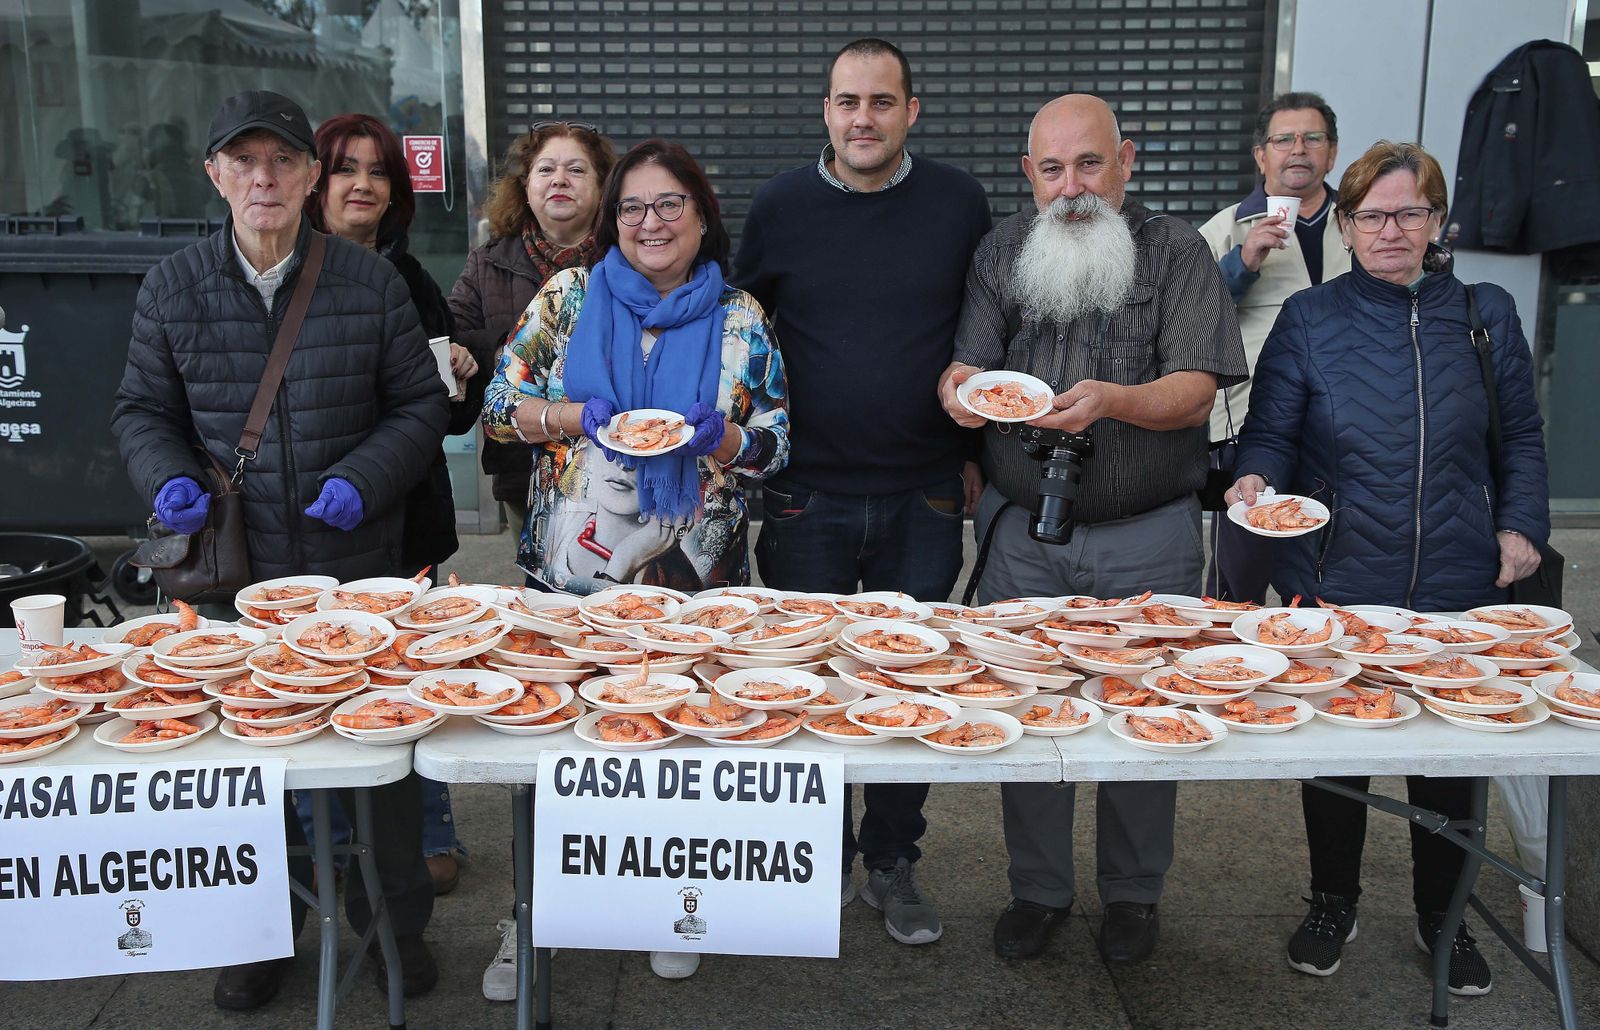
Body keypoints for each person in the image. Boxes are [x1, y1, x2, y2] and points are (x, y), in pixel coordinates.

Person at [111, 90, 447, 1010]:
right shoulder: (172, 286)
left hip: (356, 570)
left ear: (310, 177)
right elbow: (141, 410)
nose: (264, 178)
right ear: (215, 173)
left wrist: (367, 479)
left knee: (379, 760)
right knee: (244, 768)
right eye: (243, 161)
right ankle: (256, 932)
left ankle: (394, 927)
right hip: (233, 577)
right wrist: (165, 476)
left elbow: (420, 408)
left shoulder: (367, 282)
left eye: (283, 162)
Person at [1227, 140, 1550, 996]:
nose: (1391, 231)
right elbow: (1271, 432)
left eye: (1410, 212)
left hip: (1458, 579)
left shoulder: (1486, 313)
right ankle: (1333, 900)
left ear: (1437, 221)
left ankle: (1444, 918)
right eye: (1371, 215)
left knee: (1451, 757)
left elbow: (1519, 436)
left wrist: (1520, 523)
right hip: (1337, 576)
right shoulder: (1311, 318)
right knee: (1338, 753)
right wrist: (1254, 478)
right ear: (1346, 222)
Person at [938, 94, 1247, 965]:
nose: (1071, 187)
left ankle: (1134, 895)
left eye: (1089, 165)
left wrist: (1112, 404)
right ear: (1028, 174)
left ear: (1127, 162)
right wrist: (958, 390)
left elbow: (1195, 389)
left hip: (1149, 530)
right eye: (1051, 168)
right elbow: (968, 362)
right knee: (1031, 717)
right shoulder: (1003, 250)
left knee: (1146, 715)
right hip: (1022, 537)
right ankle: (1037, 890)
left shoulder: (1178, 250)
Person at [481, 138, 789, 980]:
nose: (650, 223)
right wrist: (572, 416)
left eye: (669, 205)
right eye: (633, 207)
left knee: (679, 747)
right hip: (565, 575)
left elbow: (777, 443)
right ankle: (532, 917)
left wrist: (727, 438)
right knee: (555, 753)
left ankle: (670, 904)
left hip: (695, 578)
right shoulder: (568, 297)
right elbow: (499, 405)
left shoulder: (741, 317)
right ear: (613, 219)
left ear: (700, 216)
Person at [734, 37, 991, 948]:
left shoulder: (959, 203)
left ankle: (892, 858)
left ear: (911, 111)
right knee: (814, 689)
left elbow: (982, 328)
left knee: (907, 686)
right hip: (808, 497)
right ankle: (818, 855)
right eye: (848, 103)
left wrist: (979, 453)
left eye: (882, 103)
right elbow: (741, 325)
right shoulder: (781, 206)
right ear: (827, 111)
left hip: (925, 490)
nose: (863, 120)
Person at [308, 111, 477, 898]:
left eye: (377, 172)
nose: (363, 185)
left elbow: (449, 415)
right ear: (317, 181)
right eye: (346, 169)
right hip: (310, 524)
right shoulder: (287, 275)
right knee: (313, 684)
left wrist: (463, 378)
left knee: (411, 682)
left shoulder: (411, 280)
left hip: (404, 519)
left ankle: (429, 833)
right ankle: (323, 847)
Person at [1198, 92, 1350, 602]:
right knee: (1239, 574)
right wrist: (1244, 259)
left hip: (1346, 422)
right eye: (1283, 139)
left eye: (1312, 138)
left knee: (1331, 563)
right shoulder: (1223, 229)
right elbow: (1191, 318)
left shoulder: (1363, 224)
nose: (1298, 150)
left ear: (1332, 153)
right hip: (1250, 425)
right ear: (1261, 155)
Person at [450, 121, 618, 534]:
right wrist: (516, 357)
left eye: (576, 170)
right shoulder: (488, 262)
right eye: (546, 170)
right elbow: (453, 336)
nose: (559, 179)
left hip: (615, 460)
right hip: (521, 464)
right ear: (525, 186)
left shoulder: (629, 260)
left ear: (603, 188)